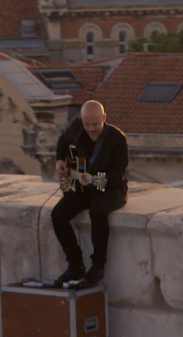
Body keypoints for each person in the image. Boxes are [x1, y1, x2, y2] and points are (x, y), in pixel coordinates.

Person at [51, 100, 129, 288]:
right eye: (87, 124)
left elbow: (117, 175)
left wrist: (94, 179)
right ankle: (75, 265)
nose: (91, 129)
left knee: (98, 212)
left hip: (110, 188)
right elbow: (63, 139)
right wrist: (59, 160)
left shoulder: (117, 139)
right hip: (86, 185)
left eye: (95, 124)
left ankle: (98, 266)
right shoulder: (77, 128)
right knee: (58, 215)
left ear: (103, 118)